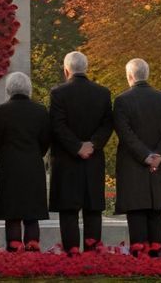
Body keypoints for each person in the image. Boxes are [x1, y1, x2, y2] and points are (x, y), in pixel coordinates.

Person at [48, 52, 113, 253]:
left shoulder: (58, 93)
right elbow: (108, 124)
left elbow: (57, 126)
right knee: (92, 210)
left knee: (68, 212)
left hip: (67, 161)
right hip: (93, 160)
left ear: (66, 70)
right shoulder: (103, 93)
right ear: (86, 68)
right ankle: (92, 255)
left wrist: (77, 146)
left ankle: (72, 255)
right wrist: (92, 144)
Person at [113, 59, 161, 257]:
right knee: (156, 215)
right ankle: (157, 261)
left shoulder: (122, 101)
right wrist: (158, 154)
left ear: (130, 76)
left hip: (134, 169)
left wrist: (145, 156)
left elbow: (125, 134)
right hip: (157, 167)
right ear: (146, 74)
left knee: (137, 217)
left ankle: (140, 263)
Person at [0, 72, 50, 251]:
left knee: (13, 215)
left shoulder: (2, 110)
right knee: (32, 216)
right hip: (33, 166)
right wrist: (35, 154)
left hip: (9, 168)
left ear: (8, 89)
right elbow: (45, 140)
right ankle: (33, 252)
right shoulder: (40, 110)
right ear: (29, 89)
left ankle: (14, 253)